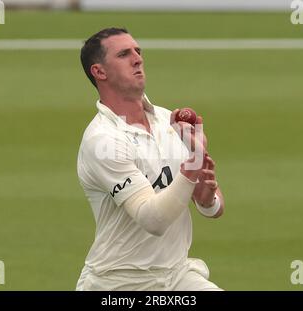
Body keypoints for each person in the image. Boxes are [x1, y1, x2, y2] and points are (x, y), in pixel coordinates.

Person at [76, 27, 225, 291]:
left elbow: (214, 208)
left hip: (176, 275)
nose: (137, 58)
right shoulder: (103, 140)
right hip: (118, 282)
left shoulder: (170, 121)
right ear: (99, 72)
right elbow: (153, 220)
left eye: (138, 51)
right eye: (124, 54)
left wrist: (206, 199)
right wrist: (193, 164)